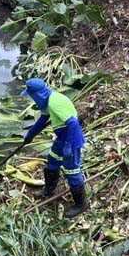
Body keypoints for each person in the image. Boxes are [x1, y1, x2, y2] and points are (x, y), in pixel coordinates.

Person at [21, 78, 87, 218]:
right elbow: (43, 119)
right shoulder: (49, 100)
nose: (33, 99)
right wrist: (30, 135)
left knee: (72, 170)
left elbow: (73, 123)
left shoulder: (54, 102)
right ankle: (49, 189)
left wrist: (68, 146)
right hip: (62, 137)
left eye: (32, 96)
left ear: (37, 94)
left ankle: (81, 204)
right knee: (52, 160)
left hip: (71, 138)